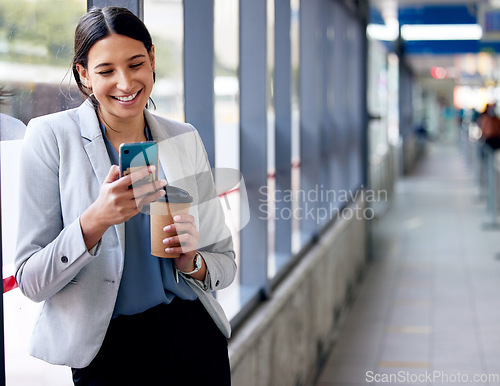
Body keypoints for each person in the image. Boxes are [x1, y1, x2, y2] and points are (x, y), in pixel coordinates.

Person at [14, 6, 236, 386]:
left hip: (192, 337)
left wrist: (191, 262)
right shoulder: (50, 137)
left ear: (152, 59)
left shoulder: (183, 137)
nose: (125, 82)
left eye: (136, 64)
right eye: (105, 71)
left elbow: (224, 263)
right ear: (83, 74)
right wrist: (96, 219)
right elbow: (31, 281)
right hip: (106, 352)